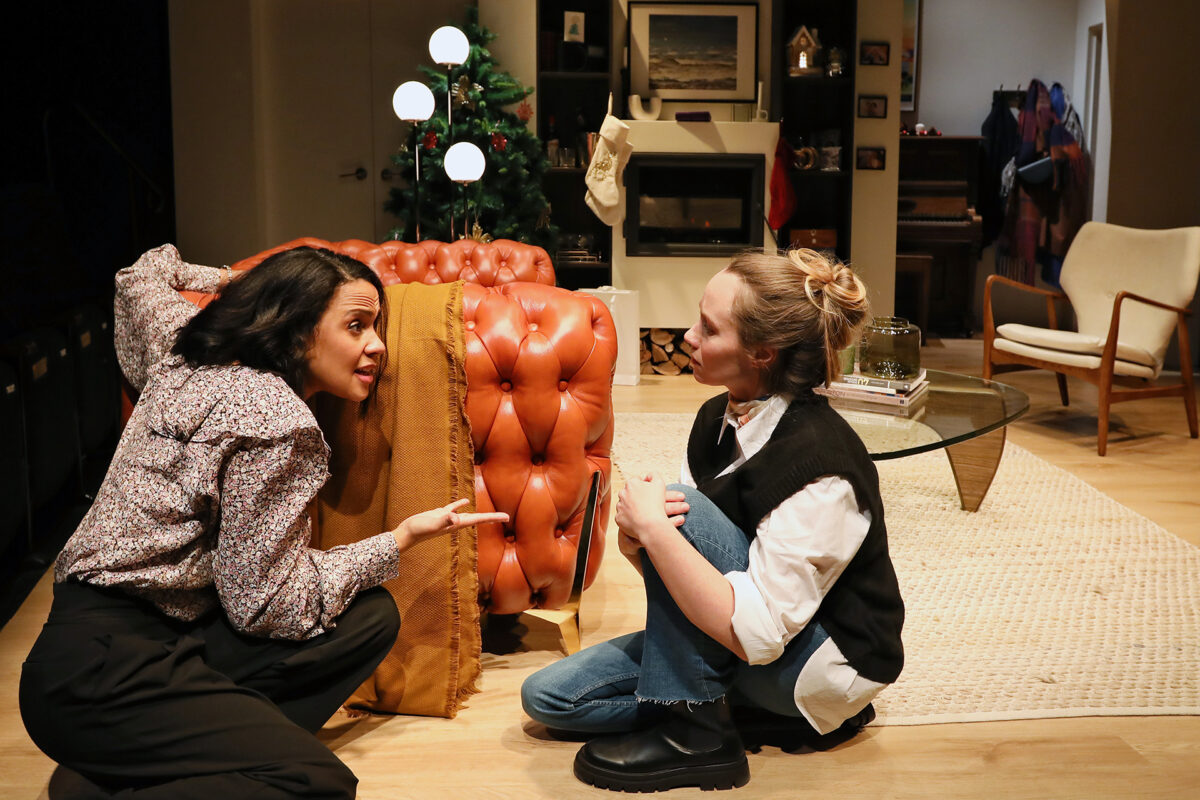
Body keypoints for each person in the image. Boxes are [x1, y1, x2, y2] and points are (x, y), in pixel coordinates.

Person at [20, 244, 508, 799]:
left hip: (125, 637)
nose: (377, 346)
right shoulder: (278, 423)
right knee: (314, 782)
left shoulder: (184, 351)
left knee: (369, 615)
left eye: (376, 327)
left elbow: (140, 275)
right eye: (356, 326)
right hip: (104, 674)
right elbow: (266, 608)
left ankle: (166, 751)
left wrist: (237, 281)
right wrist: (399, 539)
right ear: (297, 329)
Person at [521, 248, 904, 792]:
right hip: (736, 623)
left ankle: (699, 735)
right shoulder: (715, 418)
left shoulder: (823, 467)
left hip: (817, 658)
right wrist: (639, 544)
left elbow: (762, 637)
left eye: (709, 328)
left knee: (677, 509)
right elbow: (690, 567)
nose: (688, 337)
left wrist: (656, 529)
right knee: (550, 698)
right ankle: (728, 706)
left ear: (762, 352)